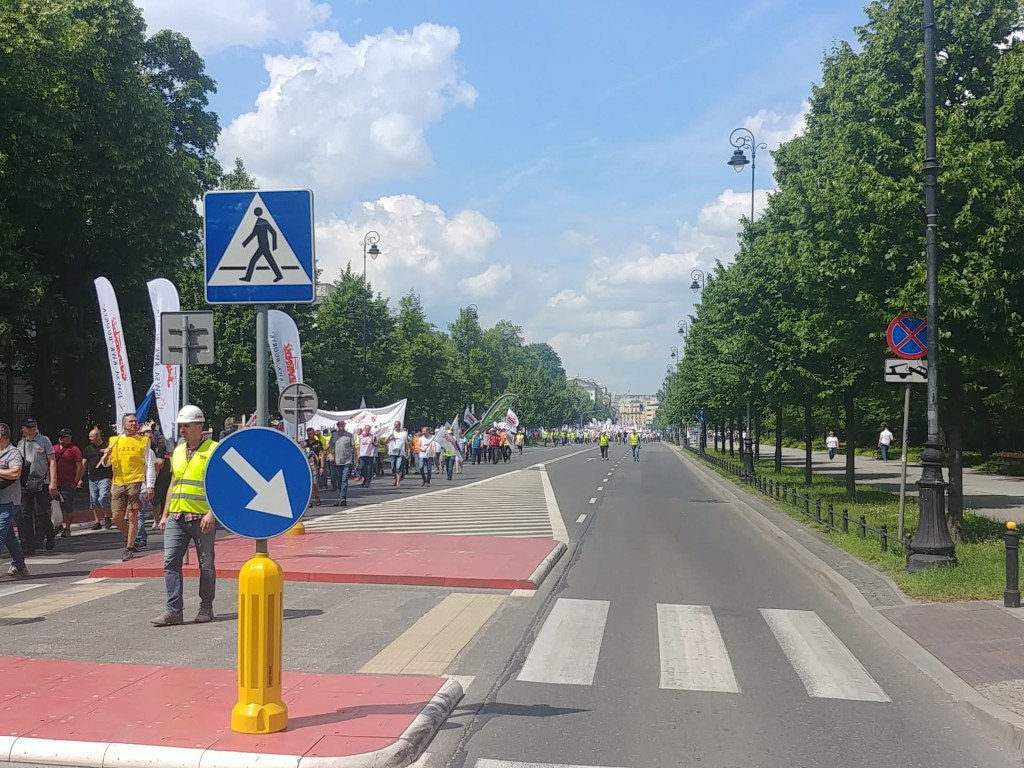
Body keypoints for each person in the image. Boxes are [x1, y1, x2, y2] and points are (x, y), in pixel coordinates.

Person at [151, 405, 218, 627]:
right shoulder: (178, 450)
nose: (182, 430)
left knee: (206, 563)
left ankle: (206, 607)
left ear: (200, 427)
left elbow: (223, 485)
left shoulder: (214, 449)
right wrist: (165, 513)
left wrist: (212, 513)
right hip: (177, 517)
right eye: (181, 426)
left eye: (186, 425)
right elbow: (174, 482)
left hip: (202, 518)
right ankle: (174, 611)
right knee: (170, 561)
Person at [106, 413, 156, 561]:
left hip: (136, 480)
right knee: (116, 516)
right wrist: (108, 455)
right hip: (118, 481)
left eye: (135, 421)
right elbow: (106, 464)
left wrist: (150, 485)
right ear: (124, 424)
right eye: (131, 421)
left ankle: (128, 548)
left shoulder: (143, 441)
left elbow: (149, 464)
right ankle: (130, 538)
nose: (134, 424)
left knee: (132, 514)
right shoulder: (114, 441)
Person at [17, 417, 57, 554]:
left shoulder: (44, 440)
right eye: (29, 427)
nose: (32, 429)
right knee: (25, 514)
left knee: (40, 512)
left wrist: (53, 481)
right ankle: (29, 545)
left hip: (42, 481)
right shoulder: (20, 443)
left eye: (34, 426)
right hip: (25, 483)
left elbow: (52, 461)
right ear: (23, 429)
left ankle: (49, 534)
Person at [0, 423, 28, 579]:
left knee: (0, 533)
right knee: (8, 535)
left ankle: (19, 564)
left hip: (9, 501)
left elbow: (15, 473)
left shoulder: (13, 453)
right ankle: (19, 565)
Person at [53, 428, 83, 538]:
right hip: (55, 482)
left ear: (69, 438)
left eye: (64, 436)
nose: (61, 438)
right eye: (60, 436)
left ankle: (67, 528)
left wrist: (76, 480)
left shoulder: (74, 450)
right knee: (53, 505)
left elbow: (80, 466)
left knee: (67, 506)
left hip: (68, 482)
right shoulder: (54, 448)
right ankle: (57, 524)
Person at [81, 427, 113, 530]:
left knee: (103, 497)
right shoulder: (88, 449)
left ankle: (107, 517)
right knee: (94, 500)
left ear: (98, 436)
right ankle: (97, 521)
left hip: (105, 477)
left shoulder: (107, 447)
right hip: (92, 478)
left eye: (92, 436)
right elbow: (84, 464)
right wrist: (80, 478)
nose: (90, 438)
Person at [332, 421, 354, 506]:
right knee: (339, 480)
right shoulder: (334, 436)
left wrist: (356, 460)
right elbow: (330, 446)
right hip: (337, 461)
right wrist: (330, 454)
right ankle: (341, 497)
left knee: (344, 479)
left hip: (347, 461)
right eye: (340, 425)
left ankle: (342, 498)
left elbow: (353, 447)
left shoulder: (349, 435)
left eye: (343, 425)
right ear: (337, 426)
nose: (341, 426)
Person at [387, 421, 409, 488]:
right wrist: (389, 437)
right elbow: (385, 442)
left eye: (397, 425)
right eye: (395, 425)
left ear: (400, 425)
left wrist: (408, 452)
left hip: (401, 452)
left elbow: (407, 443)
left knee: (398, 467)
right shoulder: (391, 433)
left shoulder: (404, 433)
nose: (396, 426)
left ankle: (398, 482)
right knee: (393, 468)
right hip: (392, 452)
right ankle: (396, 479)